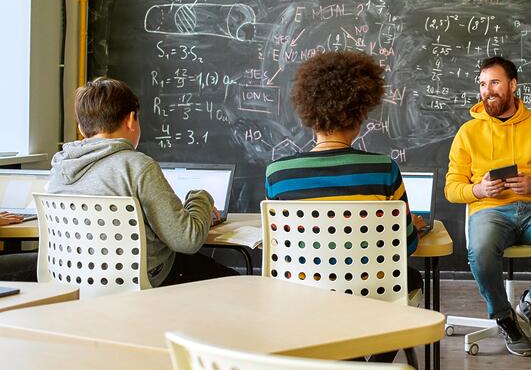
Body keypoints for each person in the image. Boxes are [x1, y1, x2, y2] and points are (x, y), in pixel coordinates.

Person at [445, 56, 531, 357]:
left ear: (512, 85)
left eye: (494, 82)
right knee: (480, 250)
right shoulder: (468, 133)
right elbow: (452, 189)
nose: (487, 90)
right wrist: (478, 189)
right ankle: (504, 316)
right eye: (482, 84)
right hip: (489, 210)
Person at [49, 77, 236, 286]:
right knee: (238, 283)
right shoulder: (137, 166)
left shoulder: (59, 168)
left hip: (73, 279)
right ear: (131, 120)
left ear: (82, 129)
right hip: (141, 280)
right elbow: (187, 239)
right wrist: (200, 198)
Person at [264, 50, 424, 294]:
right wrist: (409, 226)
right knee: (411, 277)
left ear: (309, 114)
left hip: (302, 292)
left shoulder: (278, 174)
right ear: (360, 115)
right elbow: (407, 245)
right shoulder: (383, 170)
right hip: (371, 291)